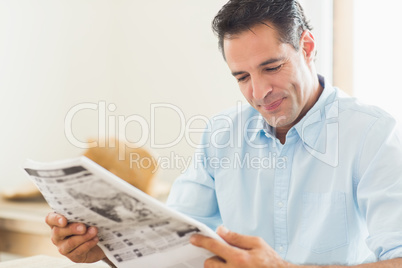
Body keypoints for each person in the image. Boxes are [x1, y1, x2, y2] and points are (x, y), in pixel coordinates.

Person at [46, 0, 402, 267]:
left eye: (272, 67)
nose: (259, 92)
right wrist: (104, 249)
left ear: (307, 48)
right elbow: (171, 248)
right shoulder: (221, 134)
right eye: (242, 77)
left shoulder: (372, 134)